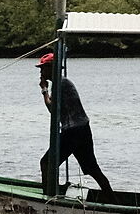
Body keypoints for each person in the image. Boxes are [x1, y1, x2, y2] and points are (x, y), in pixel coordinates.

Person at [38, 53, 112, 195]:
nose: (41, 72)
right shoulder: (60, 83)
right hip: (82, 129)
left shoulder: (61, 84)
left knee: (47, 163)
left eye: (43, 68)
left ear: (52, 68)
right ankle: (113, 199)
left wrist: (44, 90)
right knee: (92, 169)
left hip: (73, 131)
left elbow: (52, 109)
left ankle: (47, 198)